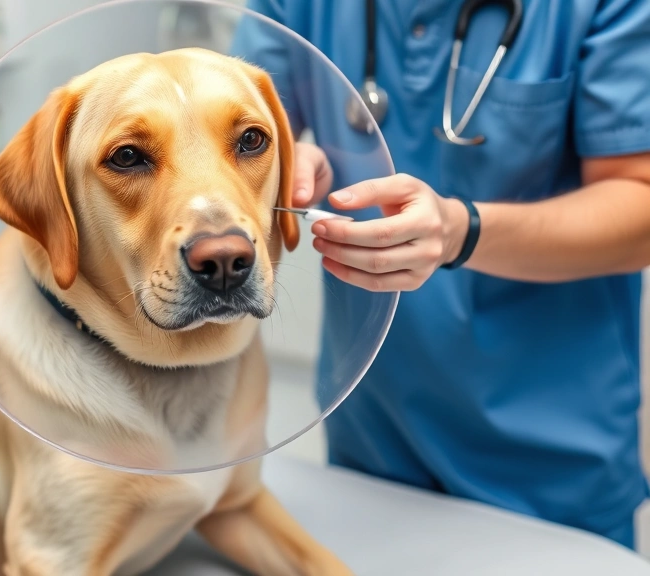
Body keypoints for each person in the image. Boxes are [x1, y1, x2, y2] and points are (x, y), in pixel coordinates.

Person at [232, 0, 650, 548]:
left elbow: (639, 203)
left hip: (549, 464)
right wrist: (279, 158)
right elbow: (226, 115)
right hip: (370, 445)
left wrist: (462, 230)